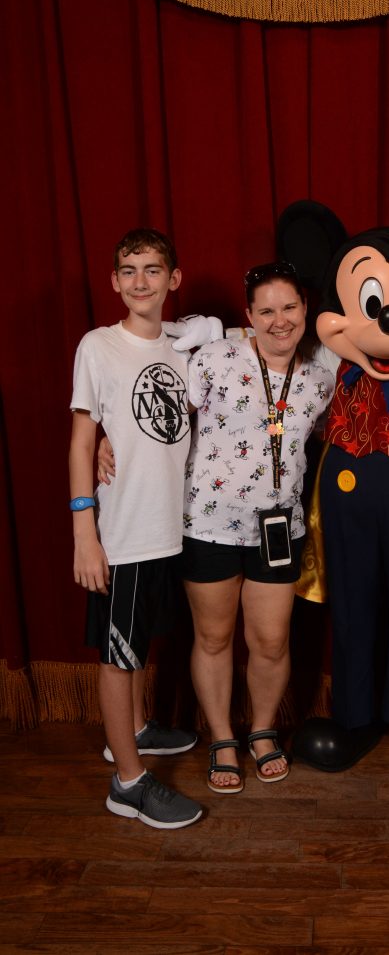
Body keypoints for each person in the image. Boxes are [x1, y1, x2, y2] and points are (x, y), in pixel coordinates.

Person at [181, 262, 335, 793]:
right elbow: (164, 417)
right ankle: (224, 736)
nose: (278, 321)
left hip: (279, 530)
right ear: (248, 316)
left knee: (270, 641)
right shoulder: (214, 358)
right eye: (265, 310)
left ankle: (263, 731)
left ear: (305, 310)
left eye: (288, 307)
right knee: (214, 636)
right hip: (208, 525)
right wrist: (108, 438)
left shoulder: (321, 376)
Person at [69, 228, 201, 829]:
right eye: (129, 270)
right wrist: (85, 533)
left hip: (168, 530)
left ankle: (139, 730)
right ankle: (127, 781)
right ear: (114, 280)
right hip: (121, 532)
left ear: (173, 279)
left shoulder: (185, 347)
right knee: (118, 657)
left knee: (140, 641)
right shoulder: (98, 346)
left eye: (152, 270)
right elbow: (80, 440)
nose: (140, 281)